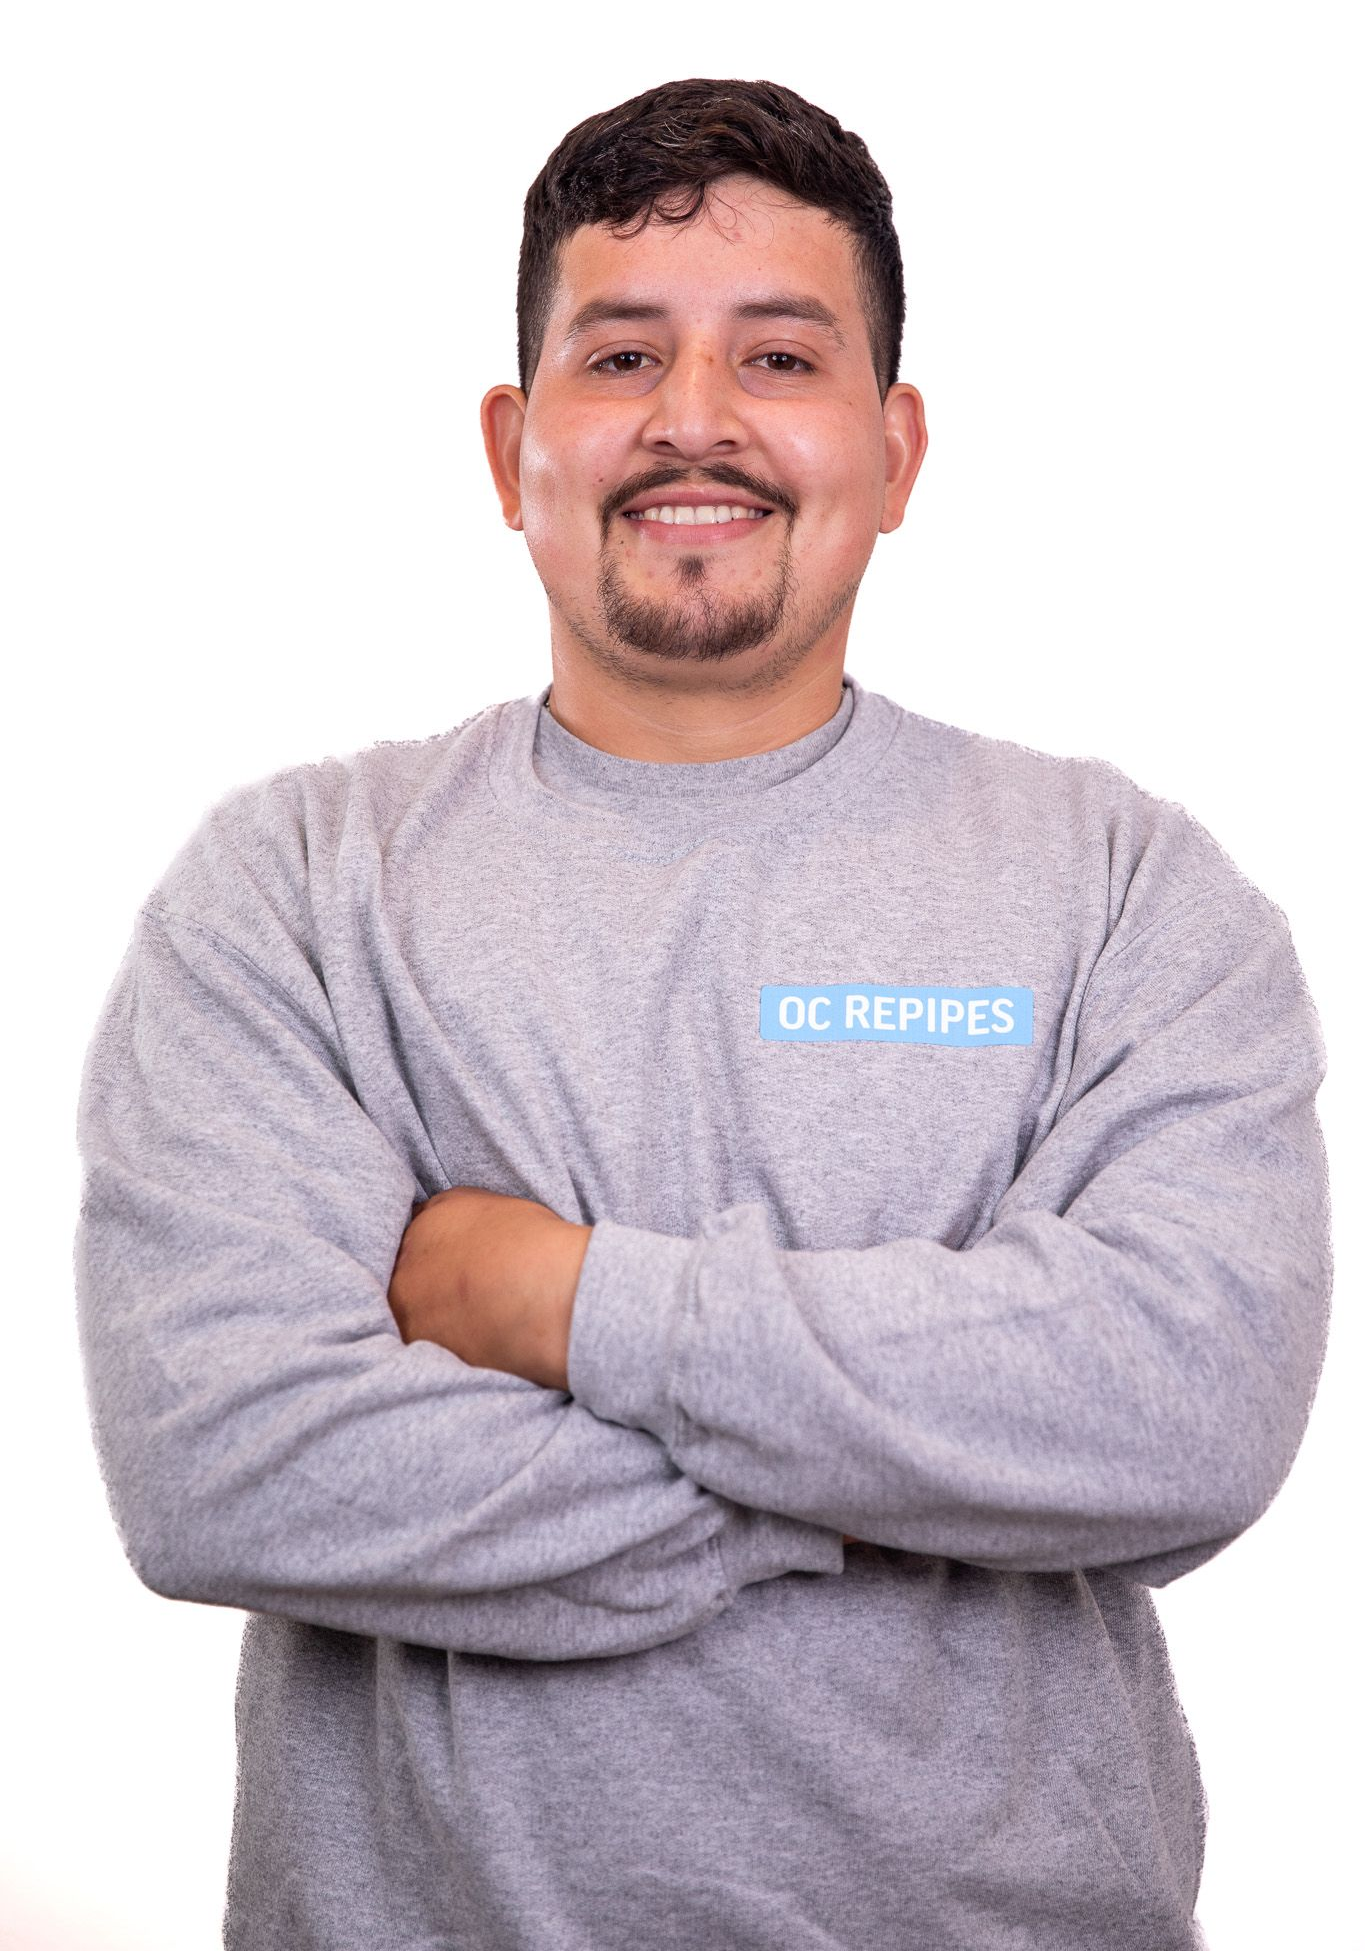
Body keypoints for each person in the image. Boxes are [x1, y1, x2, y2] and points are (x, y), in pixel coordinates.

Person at [74, 76, 1331, 1950]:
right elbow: (224, 1460)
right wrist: (918, 1480)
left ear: (896, 451)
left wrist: (568, 1303)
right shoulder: (296, 890)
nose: (695, 418)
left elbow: (1185, 1408)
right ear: (517, 447)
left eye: (780, 354)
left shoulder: (1130, 888)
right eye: (621, 354)